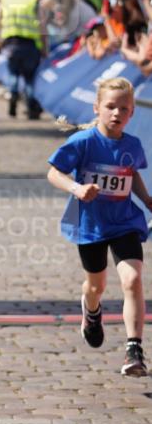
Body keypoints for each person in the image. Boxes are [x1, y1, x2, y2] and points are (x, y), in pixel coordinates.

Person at [47, 77, 152, 376]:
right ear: (97, 108)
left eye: (124, 108)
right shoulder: (82, 142)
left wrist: (145, 198)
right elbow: (54, 174)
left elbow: (130, 172)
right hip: (91, 225)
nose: (117, 113)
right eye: (110, 107)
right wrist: (76, 189)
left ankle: (134, 349)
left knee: (132, 279)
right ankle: (91, 311)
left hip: (124, 222)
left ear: (132, 113)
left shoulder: (132, 144)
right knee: (97, 285)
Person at [0, 0, 45, 119]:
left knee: (13, 74)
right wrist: (44, 47)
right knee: (29, 78)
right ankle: (31, 108)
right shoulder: (34, 0)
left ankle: (13, 93)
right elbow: (42, 25)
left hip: (11, 44)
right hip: (30, 45)